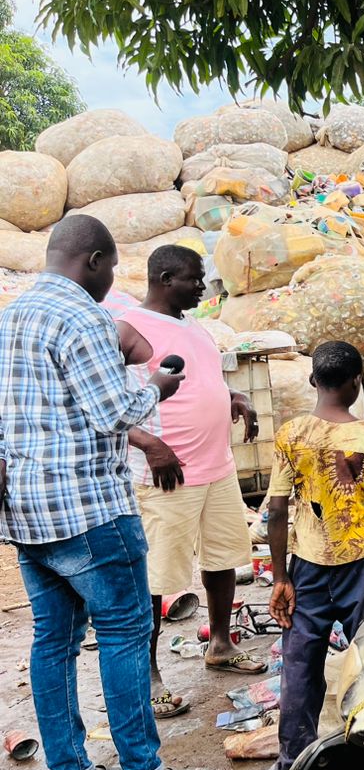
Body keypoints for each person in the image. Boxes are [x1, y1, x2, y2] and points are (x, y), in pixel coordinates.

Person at [0, 216, 209, 770]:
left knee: (52, 643)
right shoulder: (83, 317)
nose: (112, 277)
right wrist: (158, 388)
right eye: (112, 266)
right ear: (94, 260)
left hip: (26, 514)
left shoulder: (10, 316)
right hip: (89, 509)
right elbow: (113, 412)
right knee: (123, 635)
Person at [116, 245, 265, 722]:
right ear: (164, 278)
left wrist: (233, 397)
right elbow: (101, 404)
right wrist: (149, 445)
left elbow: (204, 381)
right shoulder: (129, 329)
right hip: (167, 474)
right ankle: (150, 677)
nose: (202, 287)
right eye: (193, 279)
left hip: (216, 468)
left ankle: (220, 643)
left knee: (223, 560)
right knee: (157, 580)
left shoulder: (192, 324)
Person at [266, 341, 364, 770]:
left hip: (305, 563)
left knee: (300, 666)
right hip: (361, 563)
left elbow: (278, 510)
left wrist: (281, 577)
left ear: (312, 381)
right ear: (357, 382)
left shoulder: (291, 434)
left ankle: (291, 768)